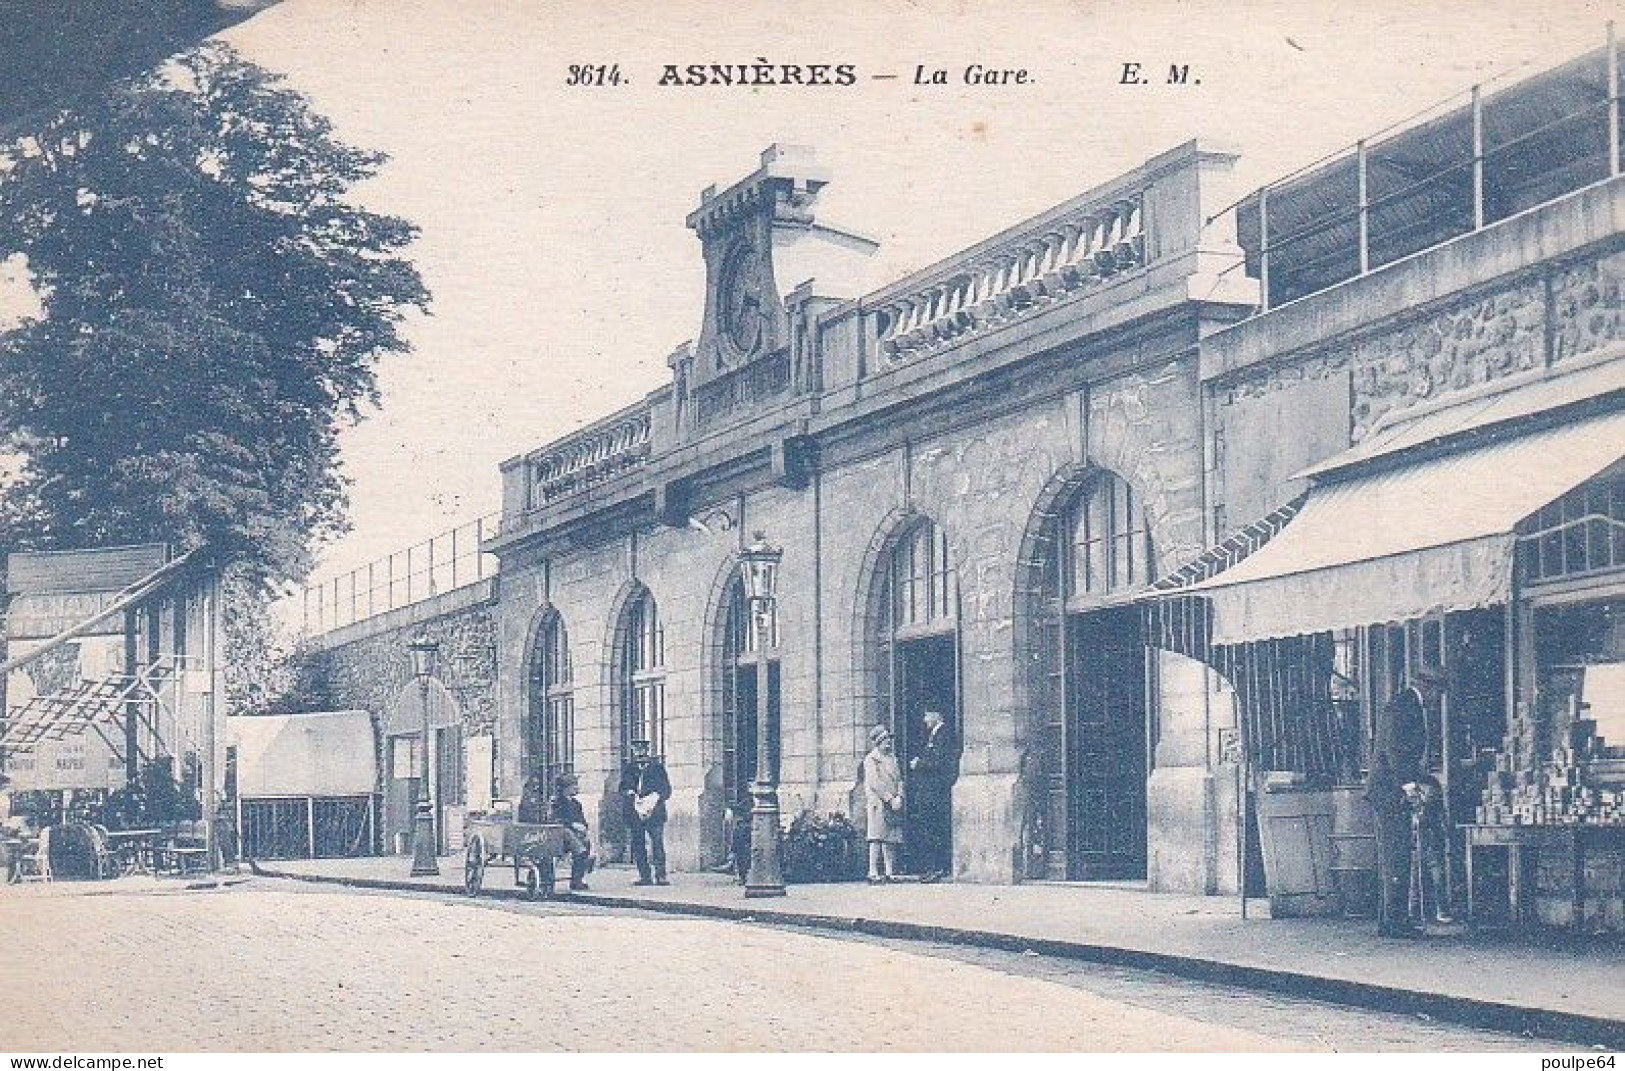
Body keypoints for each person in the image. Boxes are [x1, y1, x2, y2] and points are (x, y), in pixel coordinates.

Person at [1368, 668, 1443, 937]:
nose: (1438, 699)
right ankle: (1395, 922)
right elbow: (1396, 752)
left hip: (1391, 790)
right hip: (1389, 793)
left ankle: (1391, 920)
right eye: (1438, 692)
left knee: (1396, 857)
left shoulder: (1407, 705)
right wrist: (1411, 788)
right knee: (1396, 857)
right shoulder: (1403, 708)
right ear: (1428, 688)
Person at [908, 708, 958, 882]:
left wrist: (919, 763)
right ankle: (934, 868)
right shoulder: (935, 734)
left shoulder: (943, 734)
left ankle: (936, 868)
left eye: (927, 715)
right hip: (931, 793)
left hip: (935, 793)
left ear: (937, 716)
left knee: (934, 829)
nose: (924, 720)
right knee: (931, 829)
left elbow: (939, 761)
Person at [619, 739, 672, 886]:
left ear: (647, 751)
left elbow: (666, 790)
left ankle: (661, 875)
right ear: (633, 752)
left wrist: (655, 797)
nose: (640, 753)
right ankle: (644, 876)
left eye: (642, 750)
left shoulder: (657, 768)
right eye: (637, 750)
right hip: (635, 813)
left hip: (655, 813)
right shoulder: (629, 769)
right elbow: (621, 788)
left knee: (657, 843)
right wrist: (628, 792)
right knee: (638, 844)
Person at [862, 724, 904, 884]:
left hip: (894, 802)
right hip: (878, 803)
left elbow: (900, 779)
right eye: (885, 740)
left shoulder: (893, 758)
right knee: (876, 837)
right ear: (878, 742)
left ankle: (889, 871)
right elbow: (875, 783)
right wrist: (889, 798)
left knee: (891, 838)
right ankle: (872, 871)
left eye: (889, 740)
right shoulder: (871, 759)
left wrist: (899, 796)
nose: (888, 743)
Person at [548, 772, 593, 891]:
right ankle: (582, 852)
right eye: (574, 786)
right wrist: (572, 824)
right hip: (558, 838)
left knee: (584, 843)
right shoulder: (556, 802)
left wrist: (583, 827)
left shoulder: (576, 804)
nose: (577, 788)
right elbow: (555, 820)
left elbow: (582, 821)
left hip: (574, 838)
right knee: (567, 832)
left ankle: (576, 880)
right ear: (566, 789)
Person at [724, 790, 752, 884]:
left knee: (742, 854)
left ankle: (740, 873)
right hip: (746, 833)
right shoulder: (748, 800)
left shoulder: (753, 801)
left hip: (749, 832)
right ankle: (739, 873)